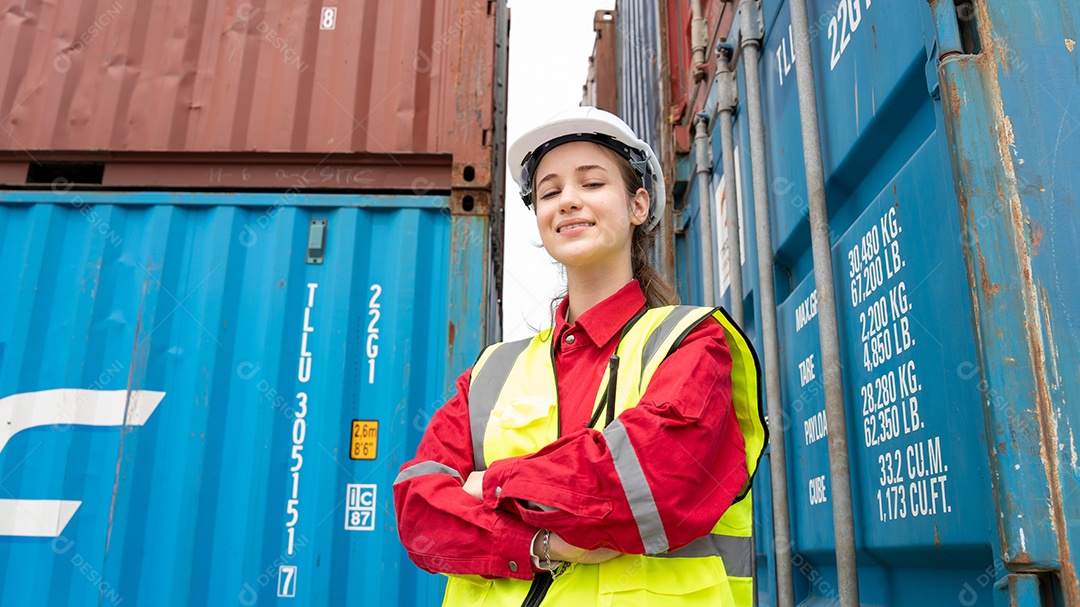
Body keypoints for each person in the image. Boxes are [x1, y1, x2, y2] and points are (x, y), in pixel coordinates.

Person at [393, 107, 767, 606]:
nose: (568, 200)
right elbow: (418, 508)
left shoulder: (692, 344)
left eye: (591, 184)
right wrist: (536, 544)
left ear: (638, 206)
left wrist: (489, 484)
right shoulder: (491, 372)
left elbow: (646, 486)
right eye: (550, 192)